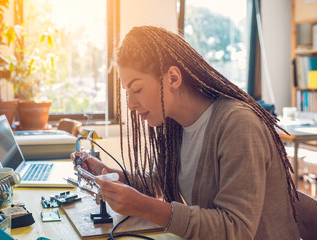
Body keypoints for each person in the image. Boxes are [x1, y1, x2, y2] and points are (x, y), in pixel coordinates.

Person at [71, 26, 300, 239]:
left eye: (137, 89)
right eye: (127, 93)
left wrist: (145, 206)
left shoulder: (238, 125)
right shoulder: (176, 126)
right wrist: (111, 174)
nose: (130, 104)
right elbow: (162, 178)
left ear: (173, 78)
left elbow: (236, 229)